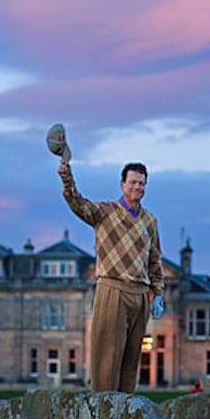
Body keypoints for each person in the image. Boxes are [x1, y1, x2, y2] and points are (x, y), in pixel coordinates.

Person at [58, 159, 164, 393]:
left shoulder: (150, 221)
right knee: (107, 359)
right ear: (122, 184)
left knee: (131, 360)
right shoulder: (105, 212)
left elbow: (154, 260)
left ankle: (125, 418)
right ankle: (102, 417)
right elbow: (78, 204)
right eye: (133, 182)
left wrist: (158, 293)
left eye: (142, 184)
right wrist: (68, 180)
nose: (137, 187)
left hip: (140, 294)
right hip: (113, 289)